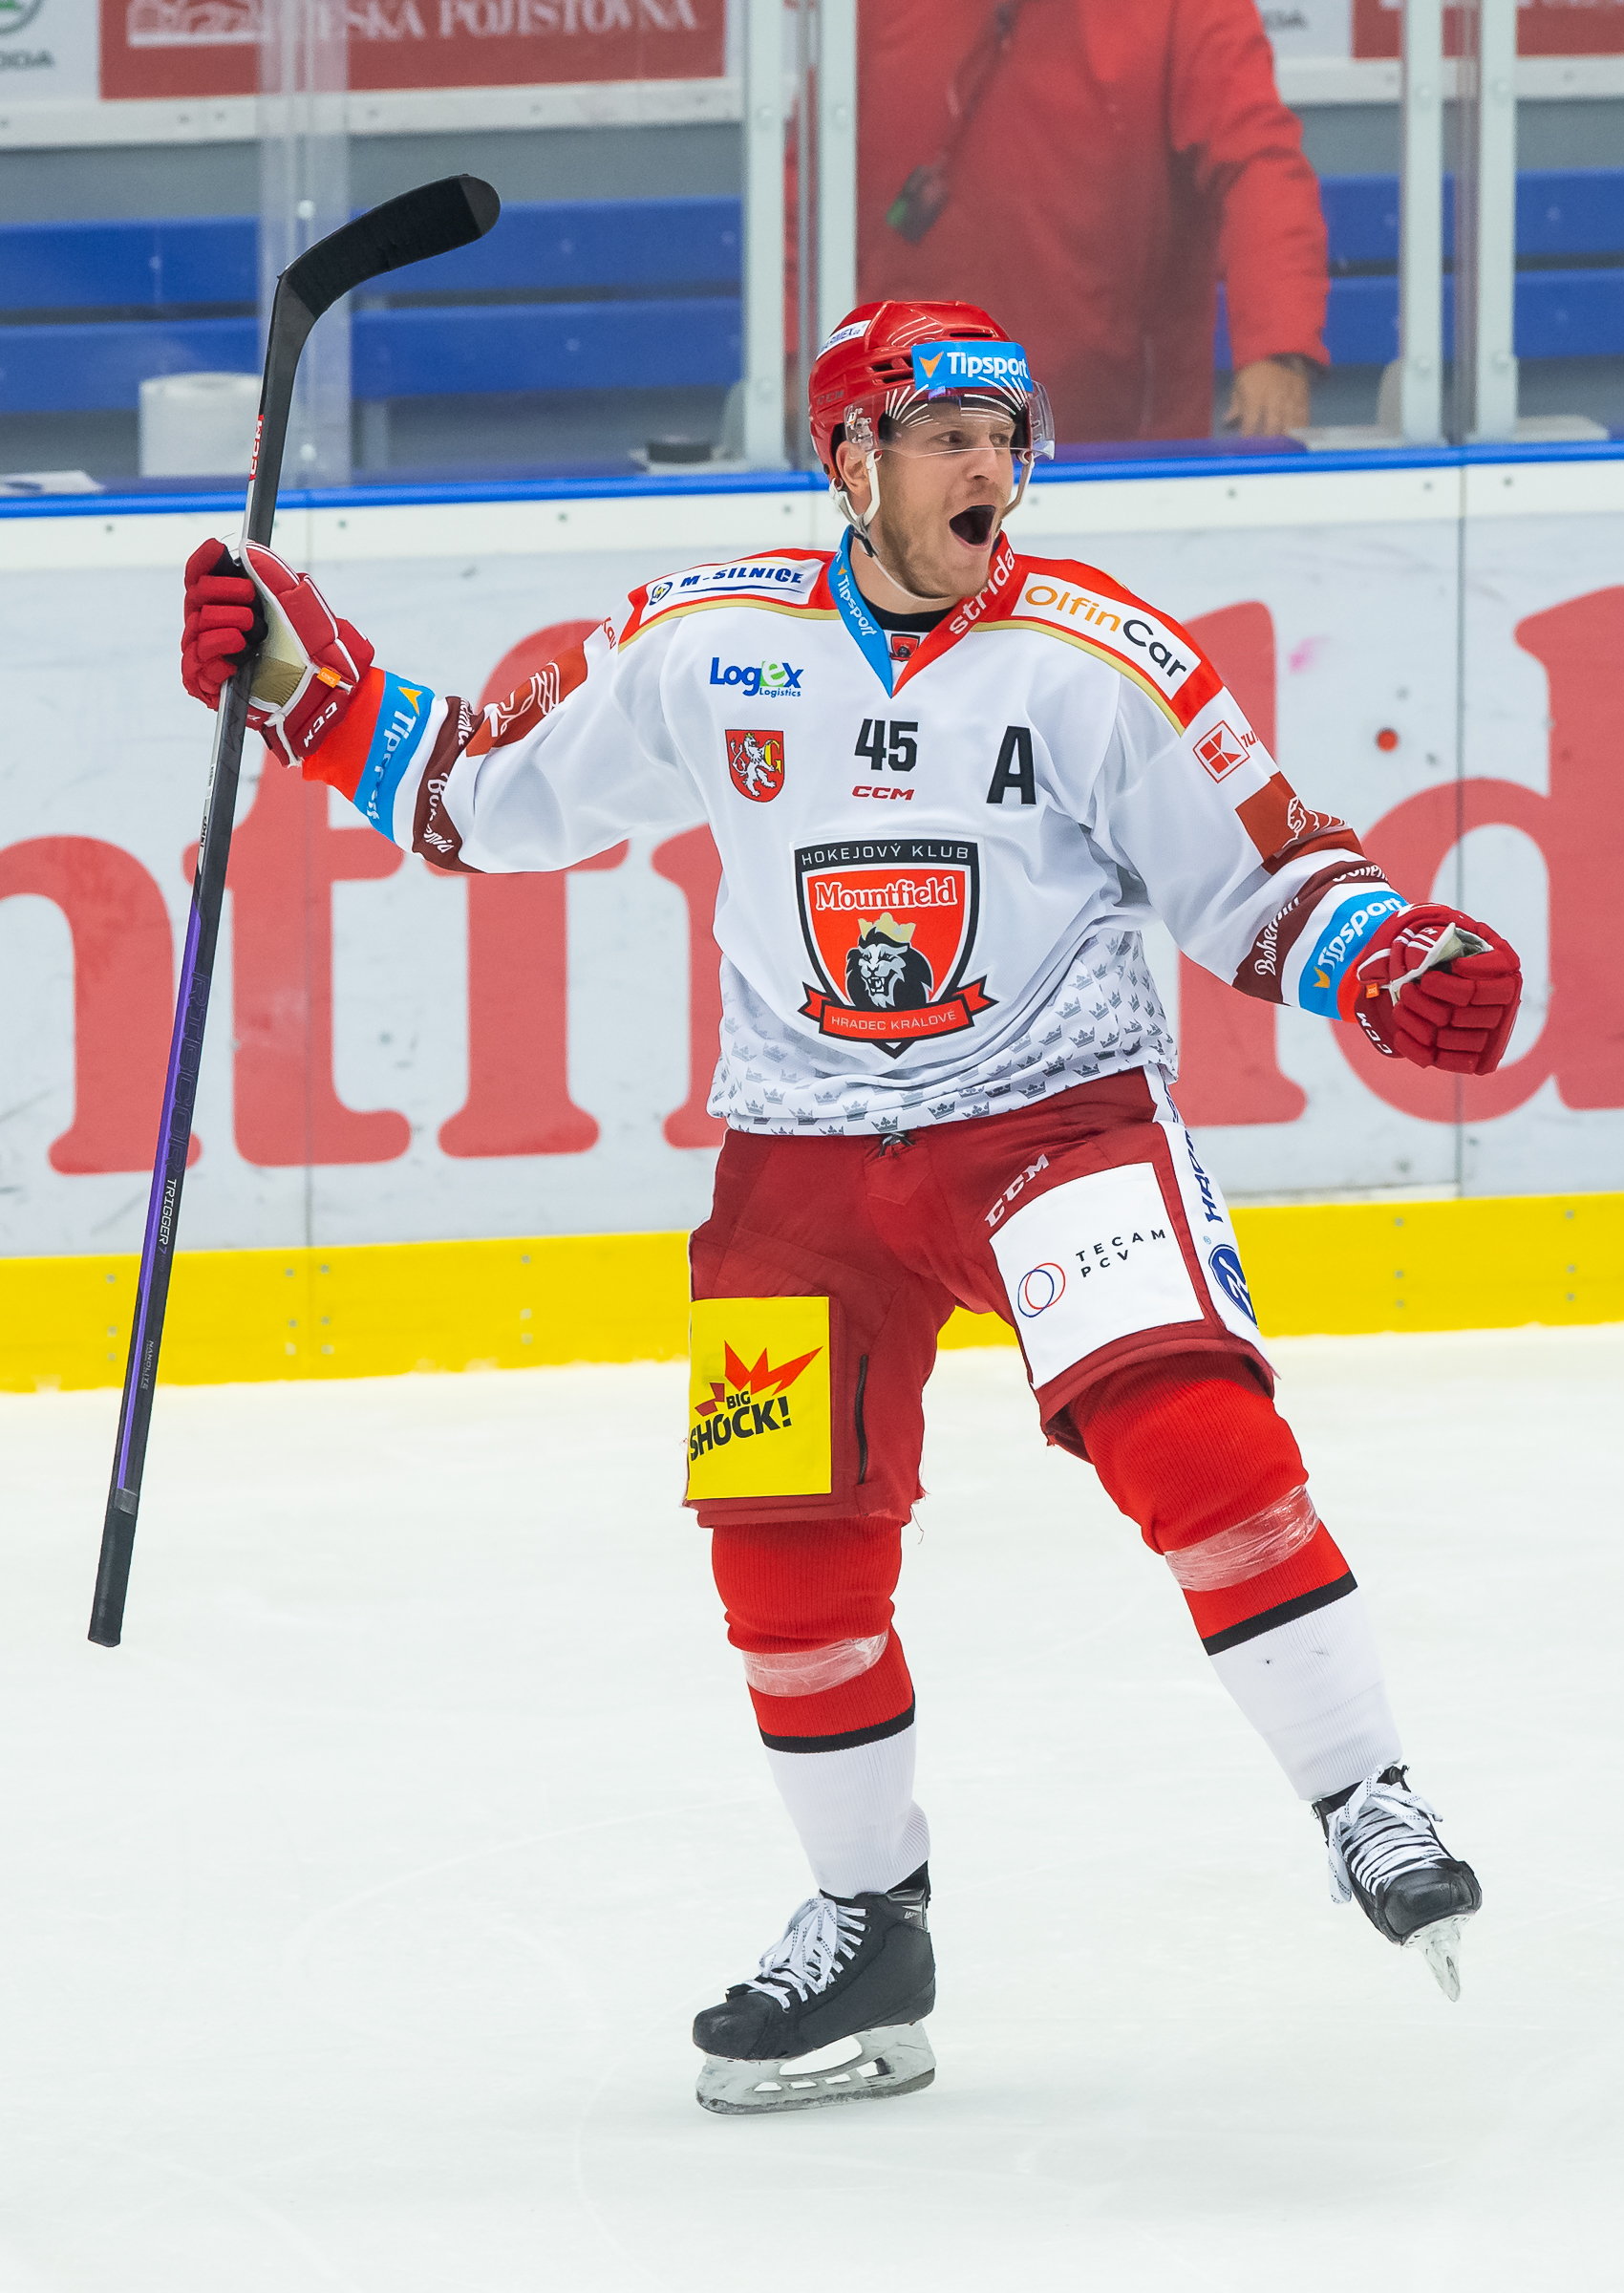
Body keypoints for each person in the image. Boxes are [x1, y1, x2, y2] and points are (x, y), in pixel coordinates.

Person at [180, 300, 1522, 2117]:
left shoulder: (1099, 655)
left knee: (1190, 1431)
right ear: (850, 459)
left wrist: (1385, 955)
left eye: (1009, 437)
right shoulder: (704, 641)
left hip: (1054, 1124)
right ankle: (869, 1924)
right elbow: (490, 793)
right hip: (800, 1160)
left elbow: (1267, 875)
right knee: (780, 1547)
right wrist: (301, 688)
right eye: (948, 435)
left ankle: (1368, 1799)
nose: (992, 469)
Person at [851, 0, 1330, 439]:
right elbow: (817, 173)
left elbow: (1257, 164)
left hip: (1115, 455)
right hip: (901, 434)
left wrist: (1277, 348)